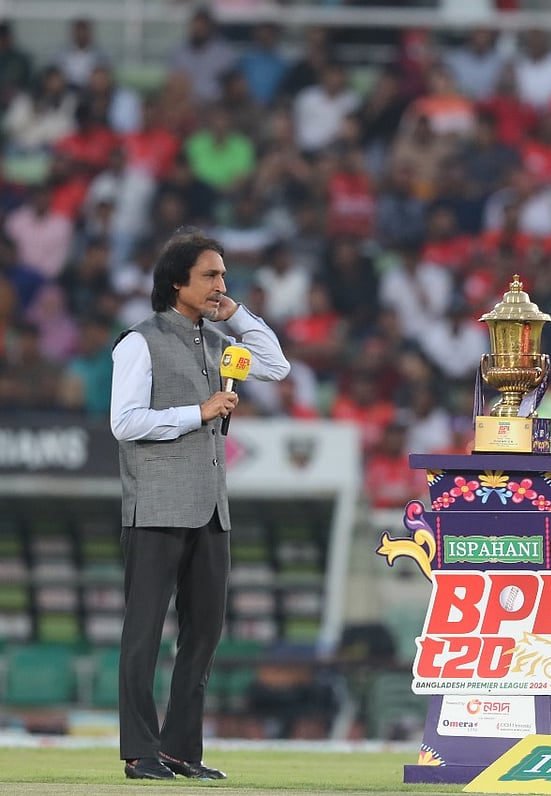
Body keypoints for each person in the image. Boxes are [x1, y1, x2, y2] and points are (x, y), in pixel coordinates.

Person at [110, 229, 291, 780]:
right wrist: (199, 411)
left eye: (223, 275)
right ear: (176, 283)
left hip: (212, 508)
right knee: (144, 634)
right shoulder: (138, 342)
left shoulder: (219, 341)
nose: (221, 284)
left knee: (204, 634)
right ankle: (140, 751)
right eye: (211, 275)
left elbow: (277, 366)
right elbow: (124, 422)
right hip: (157, 508)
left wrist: (238, 314)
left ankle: (181, 750)